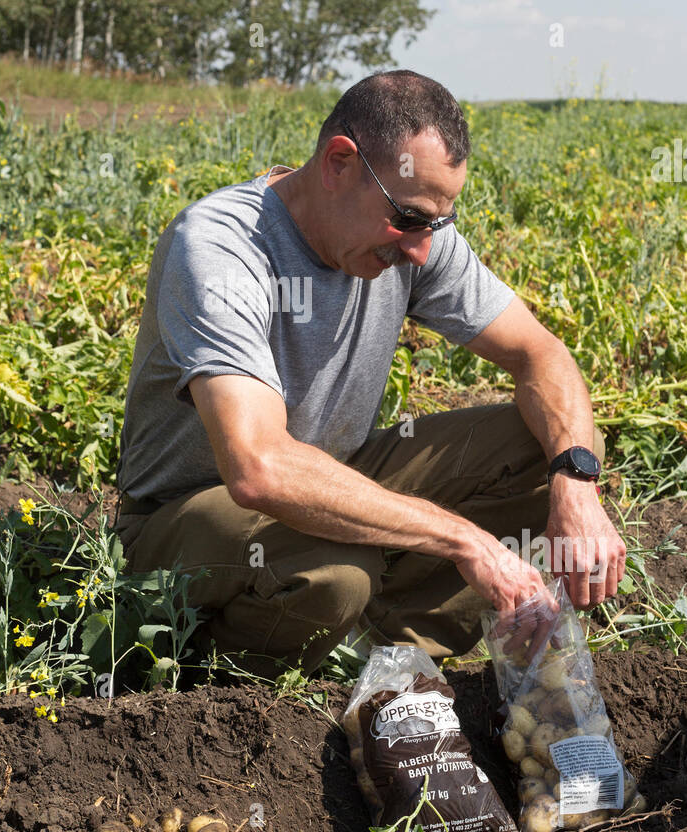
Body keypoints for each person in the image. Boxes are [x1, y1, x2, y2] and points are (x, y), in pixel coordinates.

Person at [114, 70, 625, 677]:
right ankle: (214, 679)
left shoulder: (416, 236)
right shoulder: (222, 247)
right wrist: (466, 540)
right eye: (409, 218)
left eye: (437, 223)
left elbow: (542, 356)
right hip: (192, 522)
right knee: (330, 573)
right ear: (339, 162)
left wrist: (575, 481)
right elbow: (259, 469)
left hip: (334, 481)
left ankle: (389, 665)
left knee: (552, 444)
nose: (421, 249)